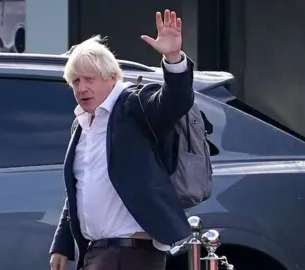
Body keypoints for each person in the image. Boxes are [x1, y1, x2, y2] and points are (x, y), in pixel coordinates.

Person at [49, 9, 195, 270]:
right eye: (75, 81)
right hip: (97, 252)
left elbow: (175, 102)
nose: (81, 88)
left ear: (113, 77)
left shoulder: (132, 105)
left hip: (130, 252)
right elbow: (80, 186)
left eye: (90, 79)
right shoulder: (82, 123)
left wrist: (173, 58)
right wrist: (62, 243)